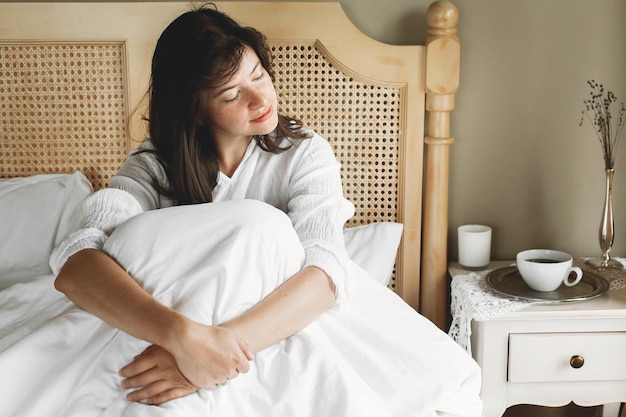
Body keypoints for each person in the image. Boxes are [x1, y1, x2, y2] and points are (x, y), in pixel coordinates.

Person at [49, 4, 482, 416]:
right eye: (233, 94)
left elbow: (326, 271)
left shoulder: (304, 155)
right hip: (172, 329)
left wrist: (213, 354)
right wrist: (182, 337)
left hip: (276, 320)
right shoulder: (153, 165)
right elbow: (76, 261)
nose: (260, 99)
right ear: (195, 110)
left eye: (259, 74)